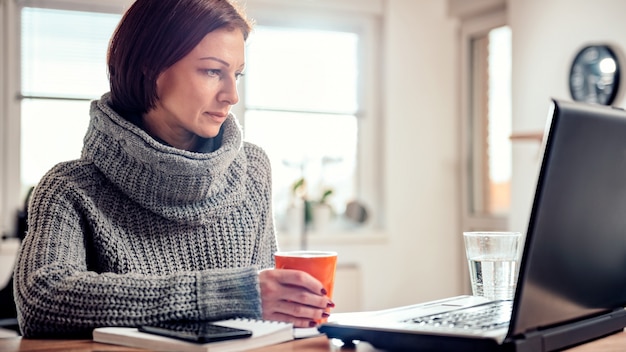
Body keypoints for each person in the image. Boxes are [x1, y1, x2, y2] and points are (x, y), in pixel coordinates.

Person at [13, 0, 334, 338]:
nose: (232, 95)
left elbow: (263, 316)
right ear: (150, 67)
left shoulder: (252, 169)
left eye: (236, 74)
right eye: (213, 71)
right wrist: (230, 293)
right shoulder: (69, 188)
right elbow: (41, 300)